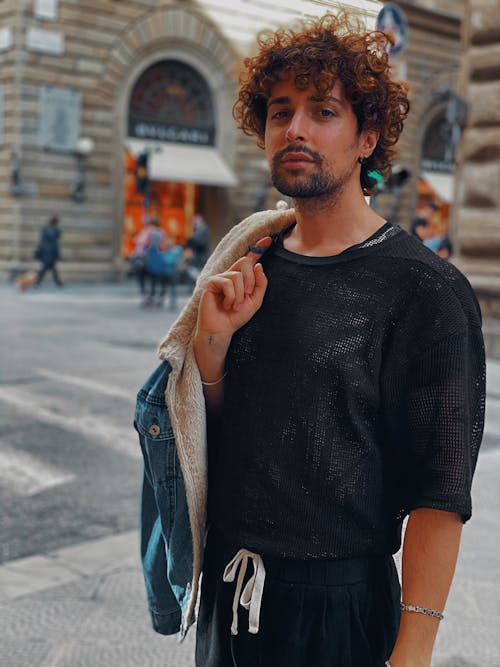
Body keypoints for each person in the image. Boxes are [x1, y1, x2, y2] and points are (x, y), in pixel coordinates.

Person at [135, 12, 485, 667]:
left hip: (341, 613)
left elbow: (441, 495)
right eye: (280, 111)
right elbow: (228, 435)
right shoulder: (249, 266)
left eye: (322, 110)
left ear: (367, 137)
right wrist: (211, 346)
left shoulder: (426, 290)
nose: (294, 127)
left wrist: (413, 651)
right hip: (229, 595)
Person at [34, 215, 63, 286]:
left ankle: (37, 281)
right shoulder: (51, 231)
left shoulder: (45, 230)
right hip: (48, 254)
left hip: (47, 253)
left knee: (48, 269)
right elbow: (54, 244)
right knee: (46, 269)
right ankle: (36, 281)